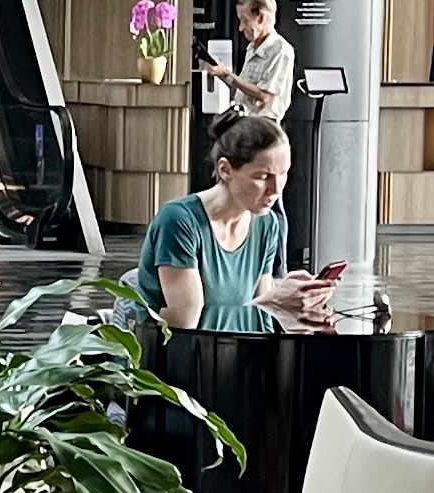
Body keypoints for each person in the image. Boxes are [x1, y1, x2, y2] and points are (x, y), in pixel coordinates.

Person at [133, 113, 341, 333]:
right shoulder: (179, 221)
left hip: (239, 356)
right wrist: (275, 299)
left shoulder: (267, 223)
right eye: (263, 177)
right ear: (225, 170)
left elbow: (261, 320)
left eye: (283, 174)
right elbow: (185, 322)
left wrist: (295, 309)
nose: (277, 189)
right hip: (177, 360)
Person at [198, 0, 296, 120]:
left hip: (263, 127)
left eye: (244, 20)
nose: (240, 27)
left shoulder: (281, 50)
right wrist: (220, 74)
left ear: (261, 18)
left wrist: (227, 74)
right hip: (243, 122)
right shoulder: (251, 48)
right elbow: (243, 91)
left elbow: (265, 96)